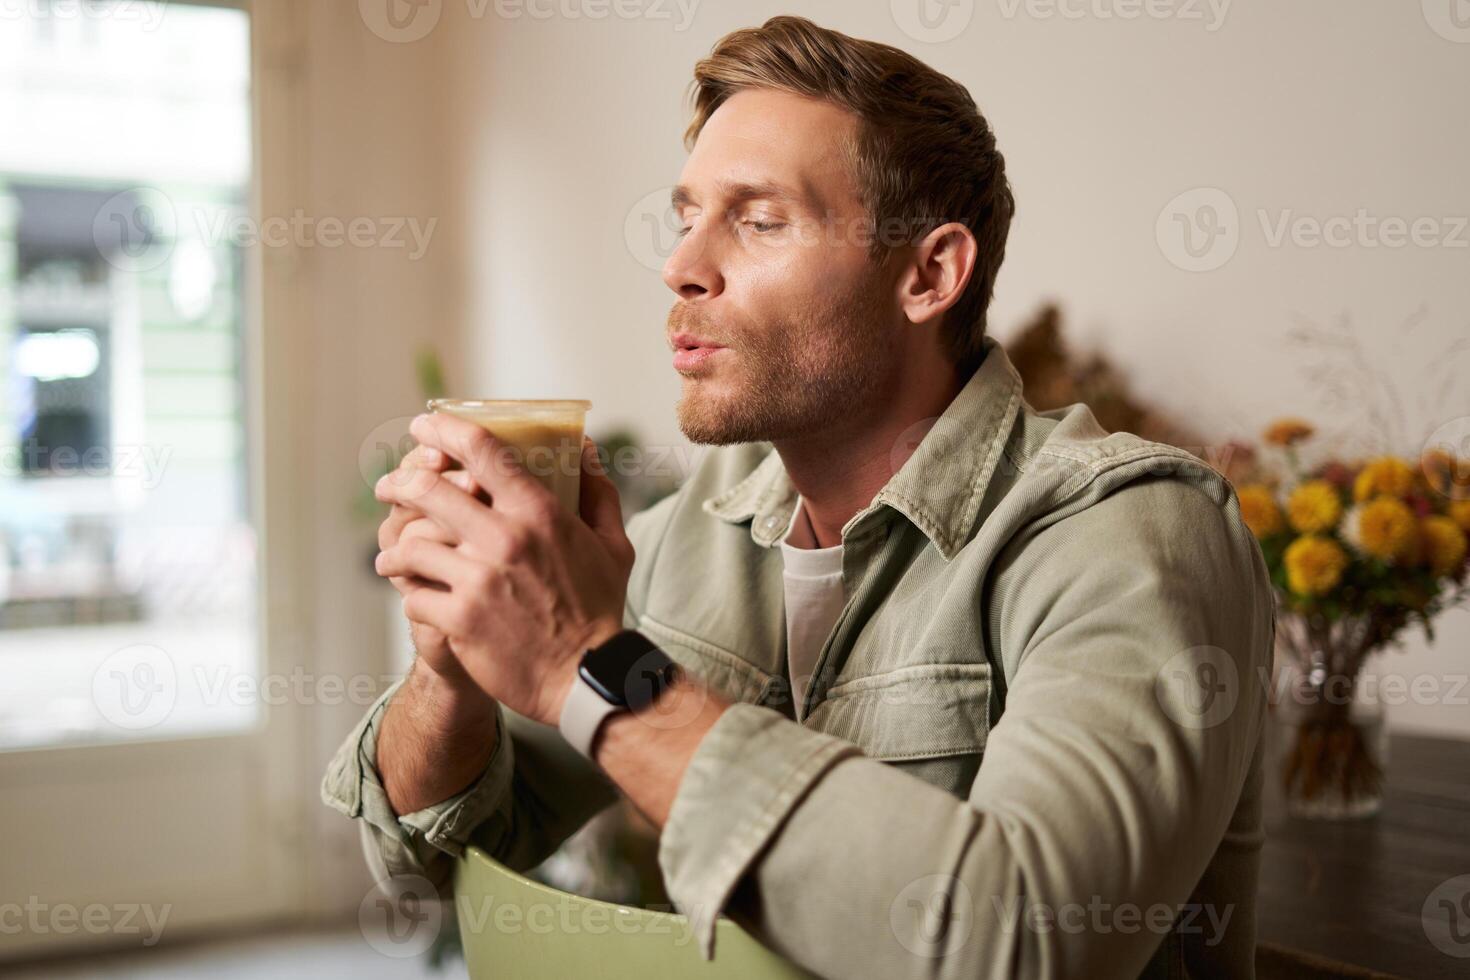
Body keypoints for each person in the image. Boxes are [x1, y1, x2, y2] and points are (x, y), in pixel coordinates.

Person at [323, 16, 1273, 979]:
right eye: (686, 216)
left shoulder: (1130, 535)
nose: (682, 266)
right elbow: (422, 861)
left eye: (760, 219)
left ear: (928, 274)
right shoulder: (706, 526)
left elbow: (1025, 946)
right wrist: (450, 668)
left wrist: (587, 661)